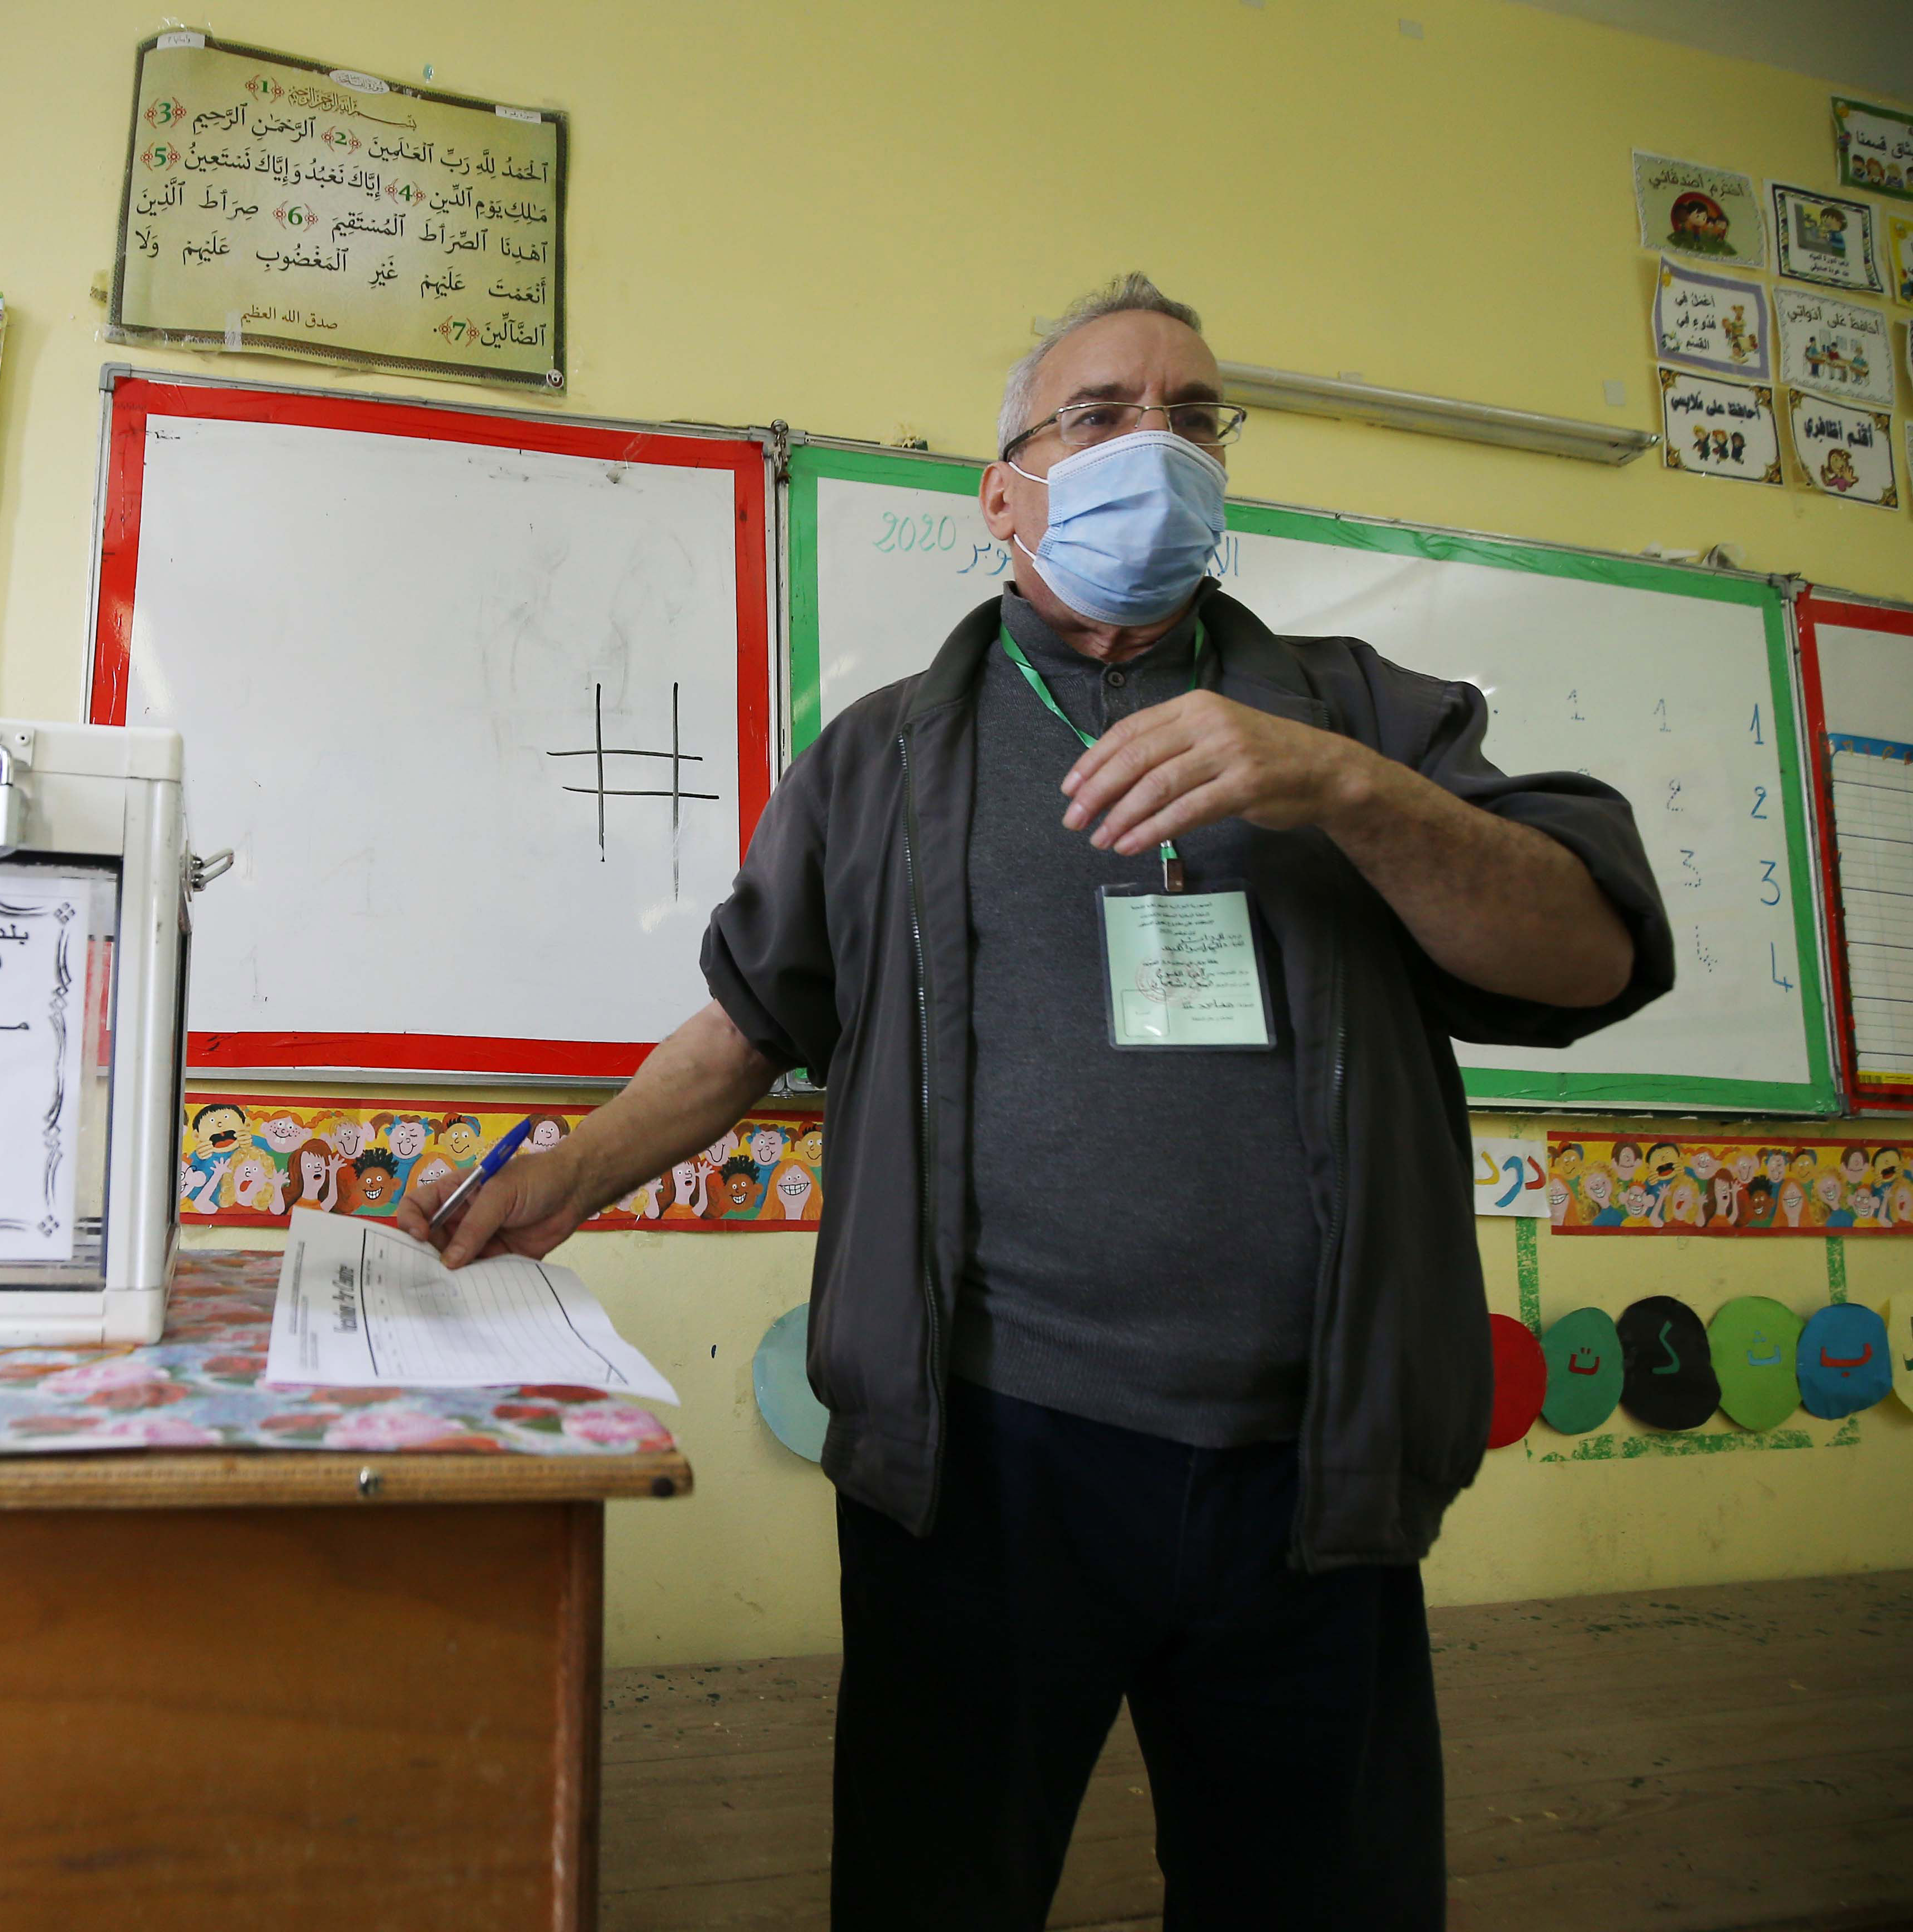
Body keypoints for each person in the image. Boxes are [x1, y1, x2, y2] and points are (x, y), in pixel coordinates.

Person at [401, 275, 1671, 1929]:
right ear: (1000, 492)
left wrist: (1346, 791)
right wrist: (566, 1174)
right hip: (988, 1471)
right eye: (1101, 415)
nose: (1162, 445)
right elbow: (744, 1028)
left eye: (1196, 416)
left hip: (1319, 1473)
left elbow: (1588, 950)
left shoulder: (1356, 714)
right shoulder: (881, 759)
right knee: (939, 1894)